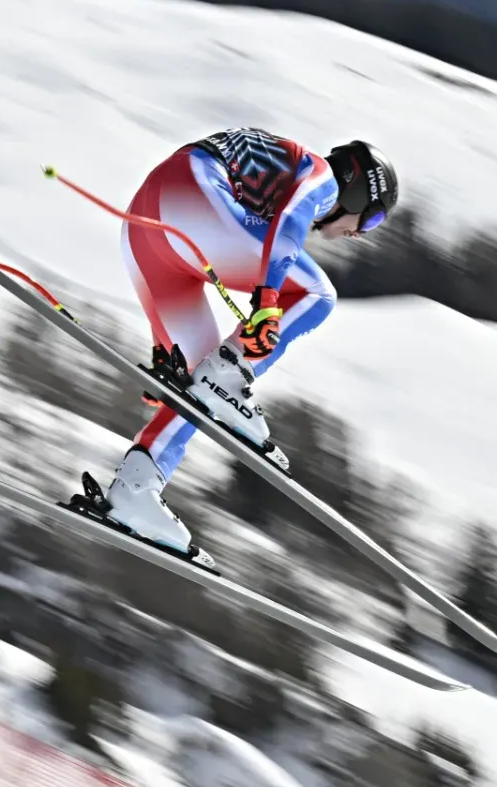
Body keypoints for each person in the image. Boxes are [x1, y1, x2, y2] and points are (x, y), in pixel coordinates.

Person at [96, 126, 397, 555]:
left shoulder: (293, 172)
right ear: (355, 191)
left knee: (196, 388)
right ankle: (230, 374)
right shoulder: (322, 176)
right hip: (191, 198)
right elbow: (290, 219)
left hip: (146, 223)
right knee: (317, 294)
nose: (361, 233)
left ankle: (133, 492)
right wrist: (269, 298)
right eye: (372, 218)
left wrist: (169, 358)